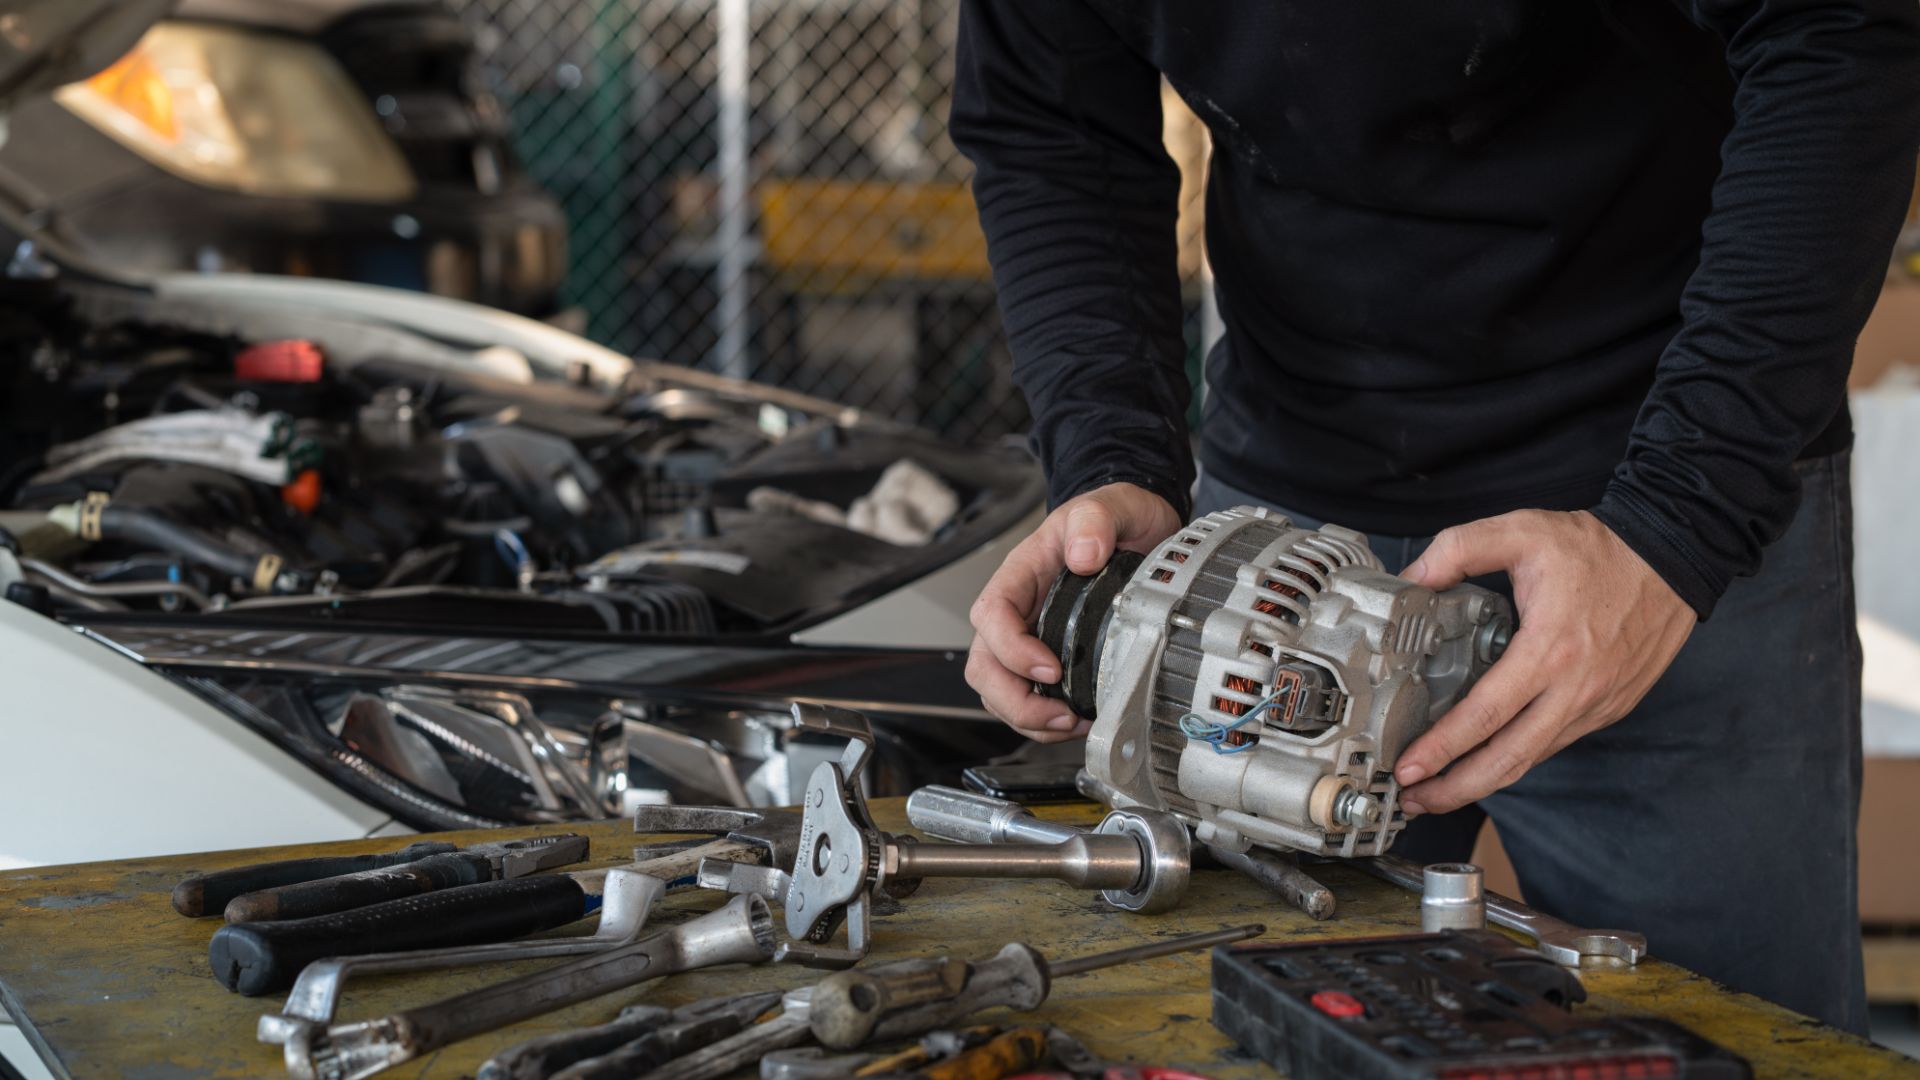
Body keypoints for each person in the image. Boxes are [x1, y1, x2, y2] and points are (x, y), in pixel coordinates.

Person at [950, 0, 1920, 1034]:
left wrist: (1678, 522)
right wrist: (1113, 461)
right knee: (1237, 1034)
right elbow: (1050, 120)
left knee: (1734, 1044)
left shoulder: (1672, 523)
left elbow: (1838, 35)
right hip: (1277, 531)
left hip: (1655, 523)